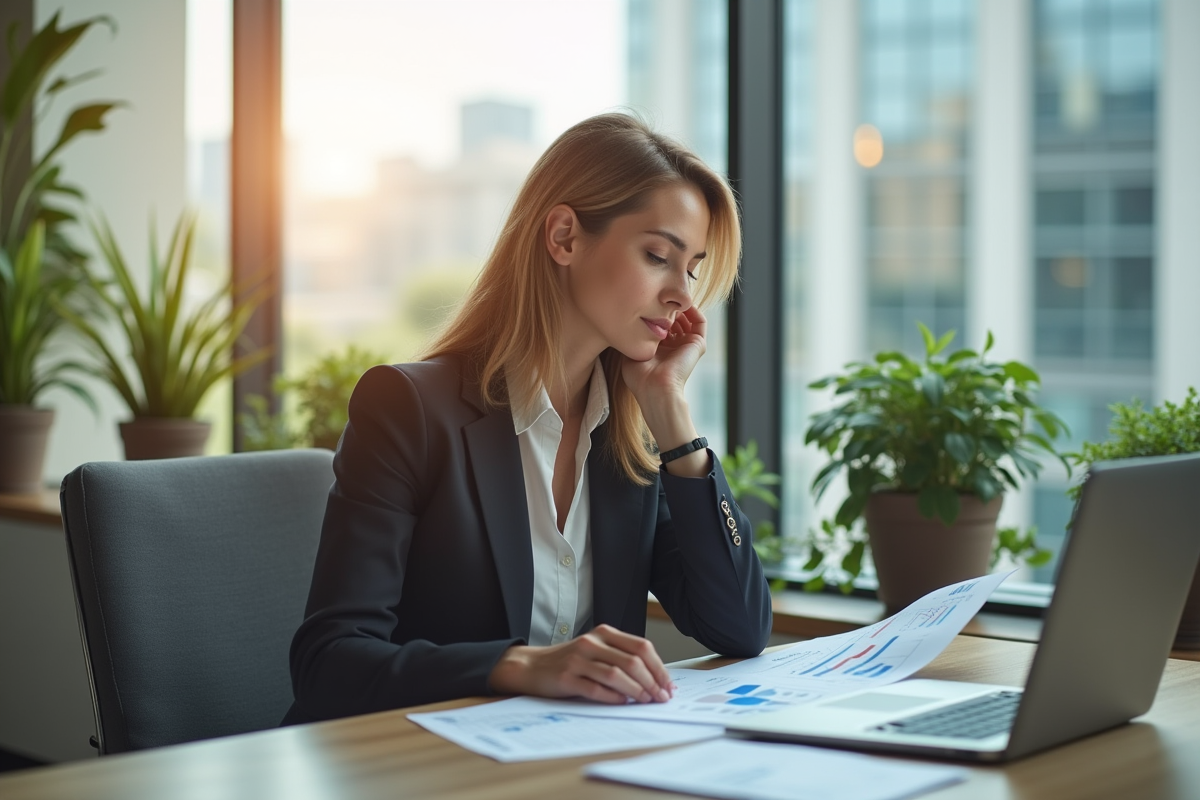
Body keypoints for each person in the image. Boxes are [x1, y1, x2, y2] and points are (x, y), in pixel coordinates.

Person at [283, 113, 772, 725]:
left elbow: (739, 628)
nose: (683, 294)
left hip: (555, 767)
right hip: (409, 769)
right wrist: (518, 666)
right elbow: (329, 663)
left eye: (692, 269)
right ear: (564, 236)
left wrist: (672, 418)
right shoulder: (407, 408)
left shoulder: (632, 441)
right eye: (658, 256)